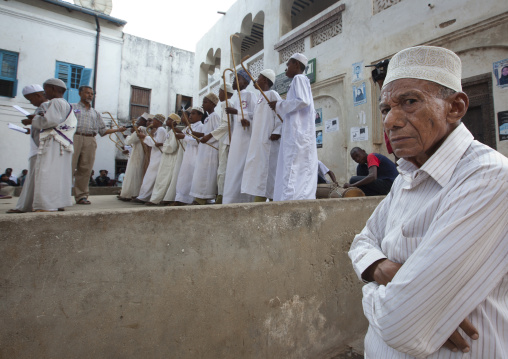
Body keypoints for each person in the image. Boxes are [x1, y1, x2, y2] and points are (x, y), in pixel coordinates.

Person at [348, 46, 508, 358]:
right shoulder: (407, 175)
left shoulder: (487, 178)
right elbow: (361, 242)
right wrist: (382, 268)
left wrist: (373, 289)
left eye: (409, 102)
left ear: (455, 107)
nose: (392, 121)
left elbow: (402, 322)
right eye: (385, 109)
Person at [268, 53, 318, 201]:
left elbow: (303, 101)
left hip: (297, 135)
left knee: (293, 168)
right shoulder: (300, 81)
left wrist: (278, 104)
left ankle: (290, 201)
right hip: (296, 134)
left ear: (296, 64)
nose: (286, 68)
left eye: (288, 64)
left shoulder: (299, 78)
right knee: (294, 168)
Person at [27, 78, 77, 211]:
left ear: (54, 89)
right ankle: (58, 202)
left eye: (46, 89)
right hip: (63, 143)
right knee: (59, 174)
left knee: (46, 172)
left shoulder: (55, 102)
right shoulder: (67, 104)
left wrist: (36, 119)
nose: (44, 93)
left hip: (53, 142)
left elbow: (51, 121)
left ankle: (45, 205)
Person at [72, 86, 126, 205]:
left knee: (85, 169)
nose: (90, 95)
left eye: (92, 93)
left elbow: (102, 130)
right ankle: (62, 196)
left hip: (90, 138)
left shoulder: (95, 112)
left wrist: (118, 129)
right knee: (68, 167)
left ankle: (81, 196)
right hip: (74, 137)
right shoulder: (72, 108)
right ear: (80, 93)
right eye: (87, 93)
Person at [241, 69, 282, 202]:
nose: (255, 80)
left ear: (264, 80)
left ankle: (265, 200)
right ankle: (259, 198)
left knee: (267, 173)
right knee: (258, 171)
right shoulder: (260, 98)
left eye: (258, 77)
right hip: (258, 141)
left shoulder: (272, 94)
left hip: (269, 141)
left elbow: (281, 115)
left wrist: (277, 131)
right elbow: (258, 118)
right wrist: (248, 120)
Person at [7, 85, 49, 213]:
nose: (31, 103)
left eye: (31, 99)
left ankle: (26, 206)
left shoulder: (46, 107)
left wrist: (31, 120)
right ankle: (29, 205)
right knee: (33, 177)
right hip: (37, 146)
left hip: (41, 147)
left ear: (38, 95)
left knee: (34, 177)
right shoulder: (43, 108)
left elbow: (49, 125)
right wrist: (29, 129)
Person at [221, 69, 257, 204]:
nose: (234, 81)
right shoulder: (236, 98)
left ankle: (244, 199)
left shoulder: (250, 95)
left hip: (246, 138)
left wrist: (238, 113)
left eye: (238, 78)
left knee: (242, 167)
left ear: (245, 82)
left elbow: (256, 114)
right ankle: (231, 199)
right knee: (233, 168)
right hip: (237, 138)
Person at [199, 83, 235, 204]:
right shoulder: (228, 104)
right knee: (222, 170)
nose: (218, 94)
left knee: (222, 171)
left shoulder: (226, 103)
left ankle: (221, 197)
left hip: (225, 141)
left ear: (225, 92)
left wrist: (209, 136)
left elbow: (226, 124)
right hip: (224, 140)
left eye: (220, 91)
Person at [189, 93, 221, 205]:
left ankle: (203, 197)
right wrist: (199, 135)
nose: (203, 104)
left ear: (212, 104)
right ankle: (199, 196)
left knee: (206, 173)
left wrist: (206, 138)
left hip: (210, 151)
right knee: (201, 172)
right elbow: (207, 133)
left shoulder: (215, 116)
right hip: (204, 149)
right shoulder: (207, 118)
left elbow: (217, 132)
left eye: (205, 102)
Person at [146, 114, 184, 205]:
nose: (166, 121)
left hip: (171, 159)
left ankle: (160, 199)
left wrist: (162, 145)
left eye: (169, 119)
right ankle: (156, 199)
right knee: (161, 179)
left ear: (173, 122)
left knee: (165, 180)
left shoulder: (175, 132)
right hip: (165, 158)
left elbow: (172, 147)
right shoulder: (170, 132)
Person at [132, 114, 167, 203]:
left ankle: (144, 197)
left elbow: (156, 143)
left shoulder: (161, 130)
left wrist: (145, 137)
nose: (151, 123)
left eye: (153, 121)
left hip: (158, 156)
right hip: (155, 155)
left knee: (151, 177)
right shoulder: (158, 130)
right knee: (149, 176)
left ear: (158, 122)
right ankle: (143, 196)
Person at [175, 107, 204, 205]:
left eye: (194, 113)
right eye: (190, 114)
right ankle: (181, 198)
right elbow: (184, 136)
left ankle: (189, 199)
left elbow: (197, 141)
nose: (190, 116)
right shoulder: (189, 127)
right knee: (184, 177)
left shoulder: (201, 127)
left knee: (192, 178)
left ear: (200, 116)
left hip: (195, 156)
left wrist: (184, 137)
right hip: (187, 155)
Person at [118, 114, 151, 201]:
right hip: (139, 152)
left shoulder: (140, 129)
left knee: (134, 173)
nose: (137, 121)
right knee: (136, 172)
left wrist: (127, 136)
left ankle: (132, 194)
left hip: (138, 153)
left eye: (139, 119)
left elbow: (130, 141)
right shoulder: (145, 129)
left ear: (143, 121)